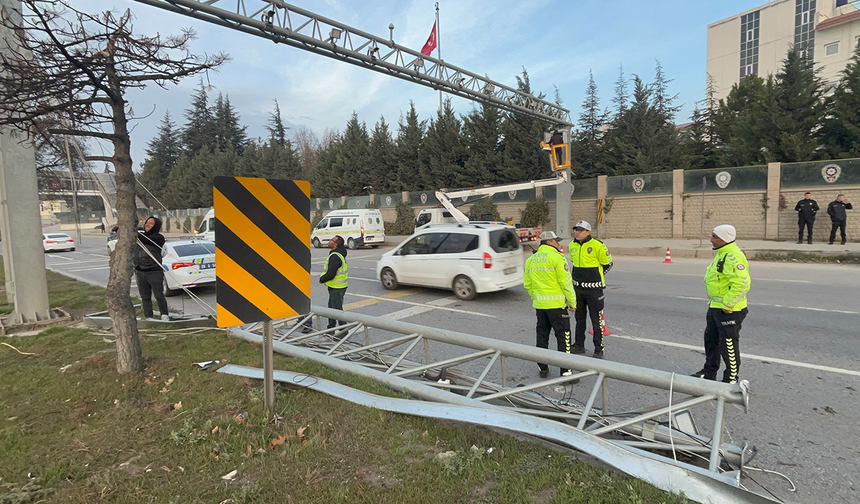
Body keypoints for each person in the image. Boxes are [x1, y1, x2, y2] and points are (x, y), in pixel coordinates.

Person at [692, 225, 751, 384]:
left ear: (725, 239)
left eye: (715, 237)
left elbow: (743, 284)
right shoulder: (722, 254)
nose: (711, 240)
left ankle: (730, 380)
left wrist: (728, 304)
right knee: (711, 340)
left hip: (729, 310)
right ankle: (709, 372)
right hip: (715, 306)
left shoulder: (733, 256)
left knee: (728, 345)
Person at [523, 231, 577, 379]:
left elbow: (528, 284)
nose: (558, 243)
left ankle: (543, 369)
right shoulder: (557, 258)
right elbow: (566, 282)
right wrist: (572, 302)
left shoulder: (530, 260)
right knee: (563, 337)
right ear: (549, 242)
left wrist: (537, 298)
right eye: (556, 241)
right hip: (557, 306)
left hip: (540, 306)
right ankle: (566, 371)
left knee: (542, 337)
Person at [568, 220, 612, 359]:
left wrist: (595, 277)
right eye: (576, 230)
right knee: (579, 319)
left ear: (588, 232)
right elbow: (574, 263)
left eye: (581, 230)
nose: (577, 232)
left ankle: (598, 348)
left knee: (596, 321)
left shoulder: (597, 245)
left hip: (594, 290)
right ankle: (579, 344)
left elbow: (608, 264)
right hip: (578, 289)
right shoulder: (572, 245)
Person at [134, 216, 169, 321]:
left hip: (154, 271)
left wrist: (134, 233)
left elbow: (146, 240)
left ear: (156, 226)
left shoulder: (158, 238)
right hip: (140, 271)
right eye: (146, 222)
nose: (147, 225)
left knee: (159, 295)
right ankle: (148, 316)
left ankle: (164, 315)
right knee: (145, 297)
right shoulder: (140, 236)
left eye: (151, 223)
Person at [319, 235, 348, 329]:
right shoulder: (338, 253)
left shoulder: (335, 256)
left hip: (337, 288)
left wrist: (322, 279)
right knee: (332, 308)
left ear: (336, 244)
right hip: (337, 287)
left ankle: (343, 331)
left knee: (337, 310)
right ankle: (331, 329)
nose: (330, 241)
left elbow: (331, 273)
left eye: (332, 240)